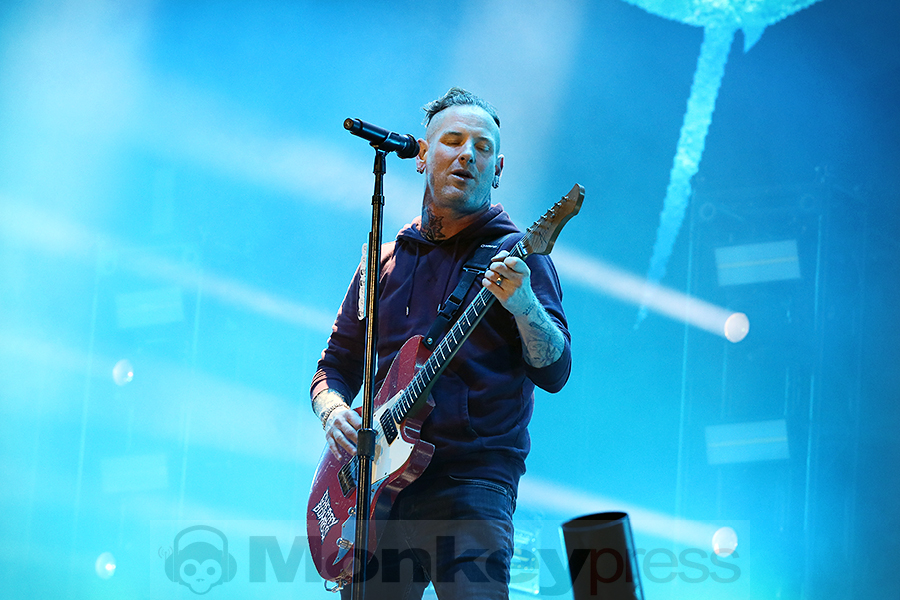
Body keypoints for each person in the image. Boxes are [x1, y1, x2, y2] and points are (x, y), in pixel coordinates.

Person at [310, 87, 572, 600]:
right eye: (452, 140)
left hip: (471, 486)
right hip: (374, 491)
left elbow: (556, 370)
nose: (467, 154)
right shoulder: (381, 260)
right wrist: (333, 410)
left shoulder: (519, 255)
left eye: (482, 146)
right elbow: (335, 365)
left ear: (497, 168)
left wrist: (524, 307)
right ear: (422, 156)